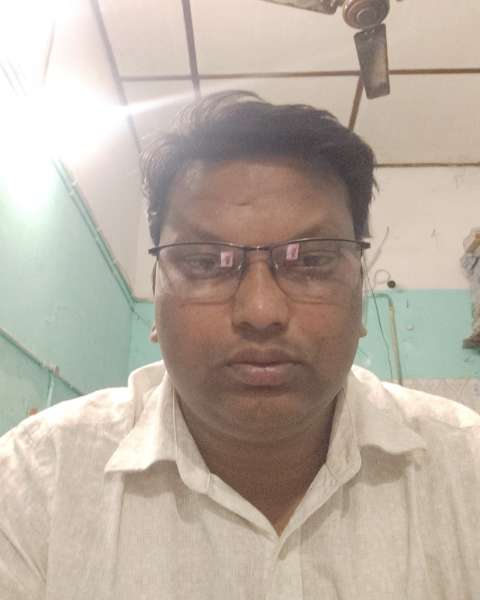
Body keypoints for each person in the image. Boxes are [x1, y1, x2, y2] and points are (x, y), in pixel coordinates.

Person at [1, 91, 479, 599]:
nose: (260, 311)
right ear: (157, 293)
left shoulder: (466, 468)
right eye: (205, 262)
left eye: (311, 261)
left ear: (360, 290)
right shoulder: (36, 483)